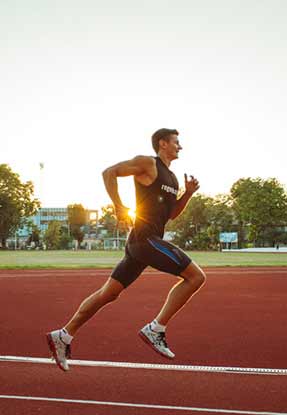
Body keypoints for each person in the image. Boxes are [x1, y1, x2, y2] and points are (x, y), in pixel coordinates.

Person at [46, 128, 206, 371]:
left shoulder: (172, 178)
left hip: (141, 243)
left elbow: (170, 214)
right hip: (145, 239)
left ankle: (63, 335)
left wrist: (188, 194)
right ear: (162, 143)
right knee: (195, 277)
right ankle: (156, 329)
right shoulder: (147, 164)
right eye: (176, 142)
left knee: (108, 294)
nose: (180, 147)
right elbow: (109, 172)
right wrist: (119, 207)